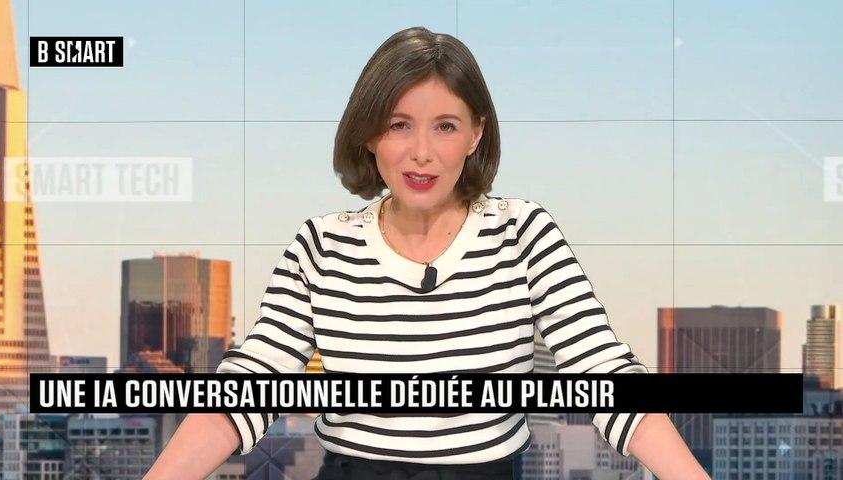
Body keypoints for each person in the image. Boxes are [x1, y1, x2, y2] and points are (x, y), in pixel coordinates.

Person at [144, 26, 709, 480]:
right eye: (398, 125)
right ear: (369, 134)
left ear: (476, 134)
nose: (422, 153)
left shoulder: (524, 234)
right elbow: (250, 386)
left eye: (445, 126)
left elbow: (604, 373)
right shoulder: (321, 245)